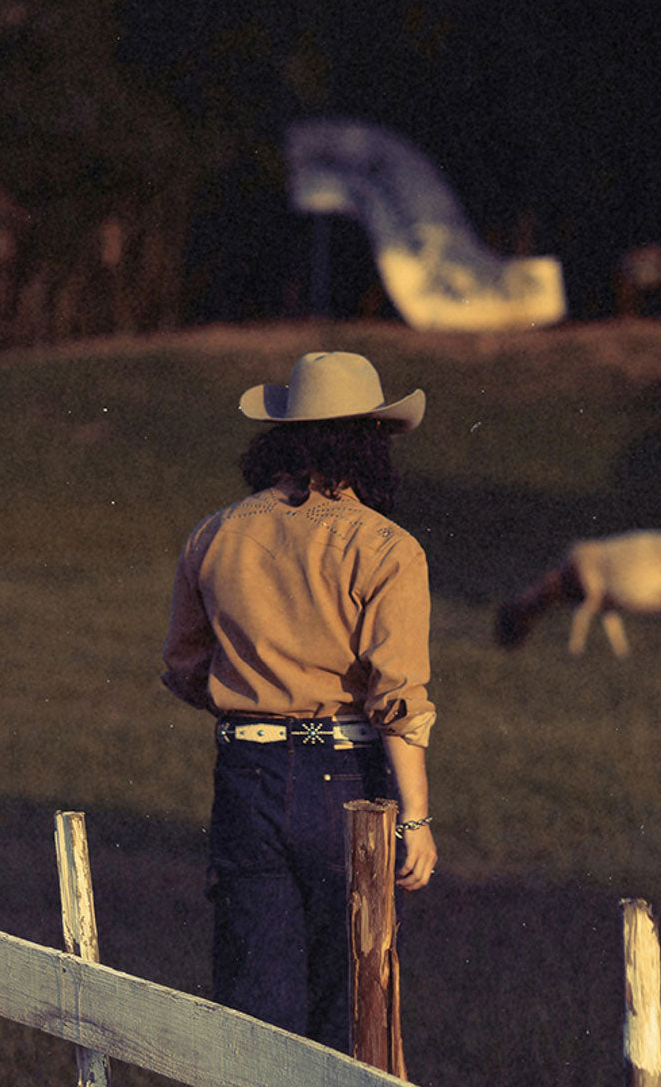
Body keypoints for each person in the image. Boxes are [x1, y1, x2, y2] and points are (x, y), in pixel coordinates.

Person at [161, 350, 437, 1052]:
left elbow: (186, 667)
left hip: (245, 775)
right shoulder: (387, 548)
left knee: (255, 1000)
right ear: (369, 443)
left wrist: (258, 700)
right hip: (349, 779)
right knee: (351, 1000)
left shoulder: (215, 533)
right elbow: (398, 699)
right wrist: (418, 818)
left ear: (281, 437)